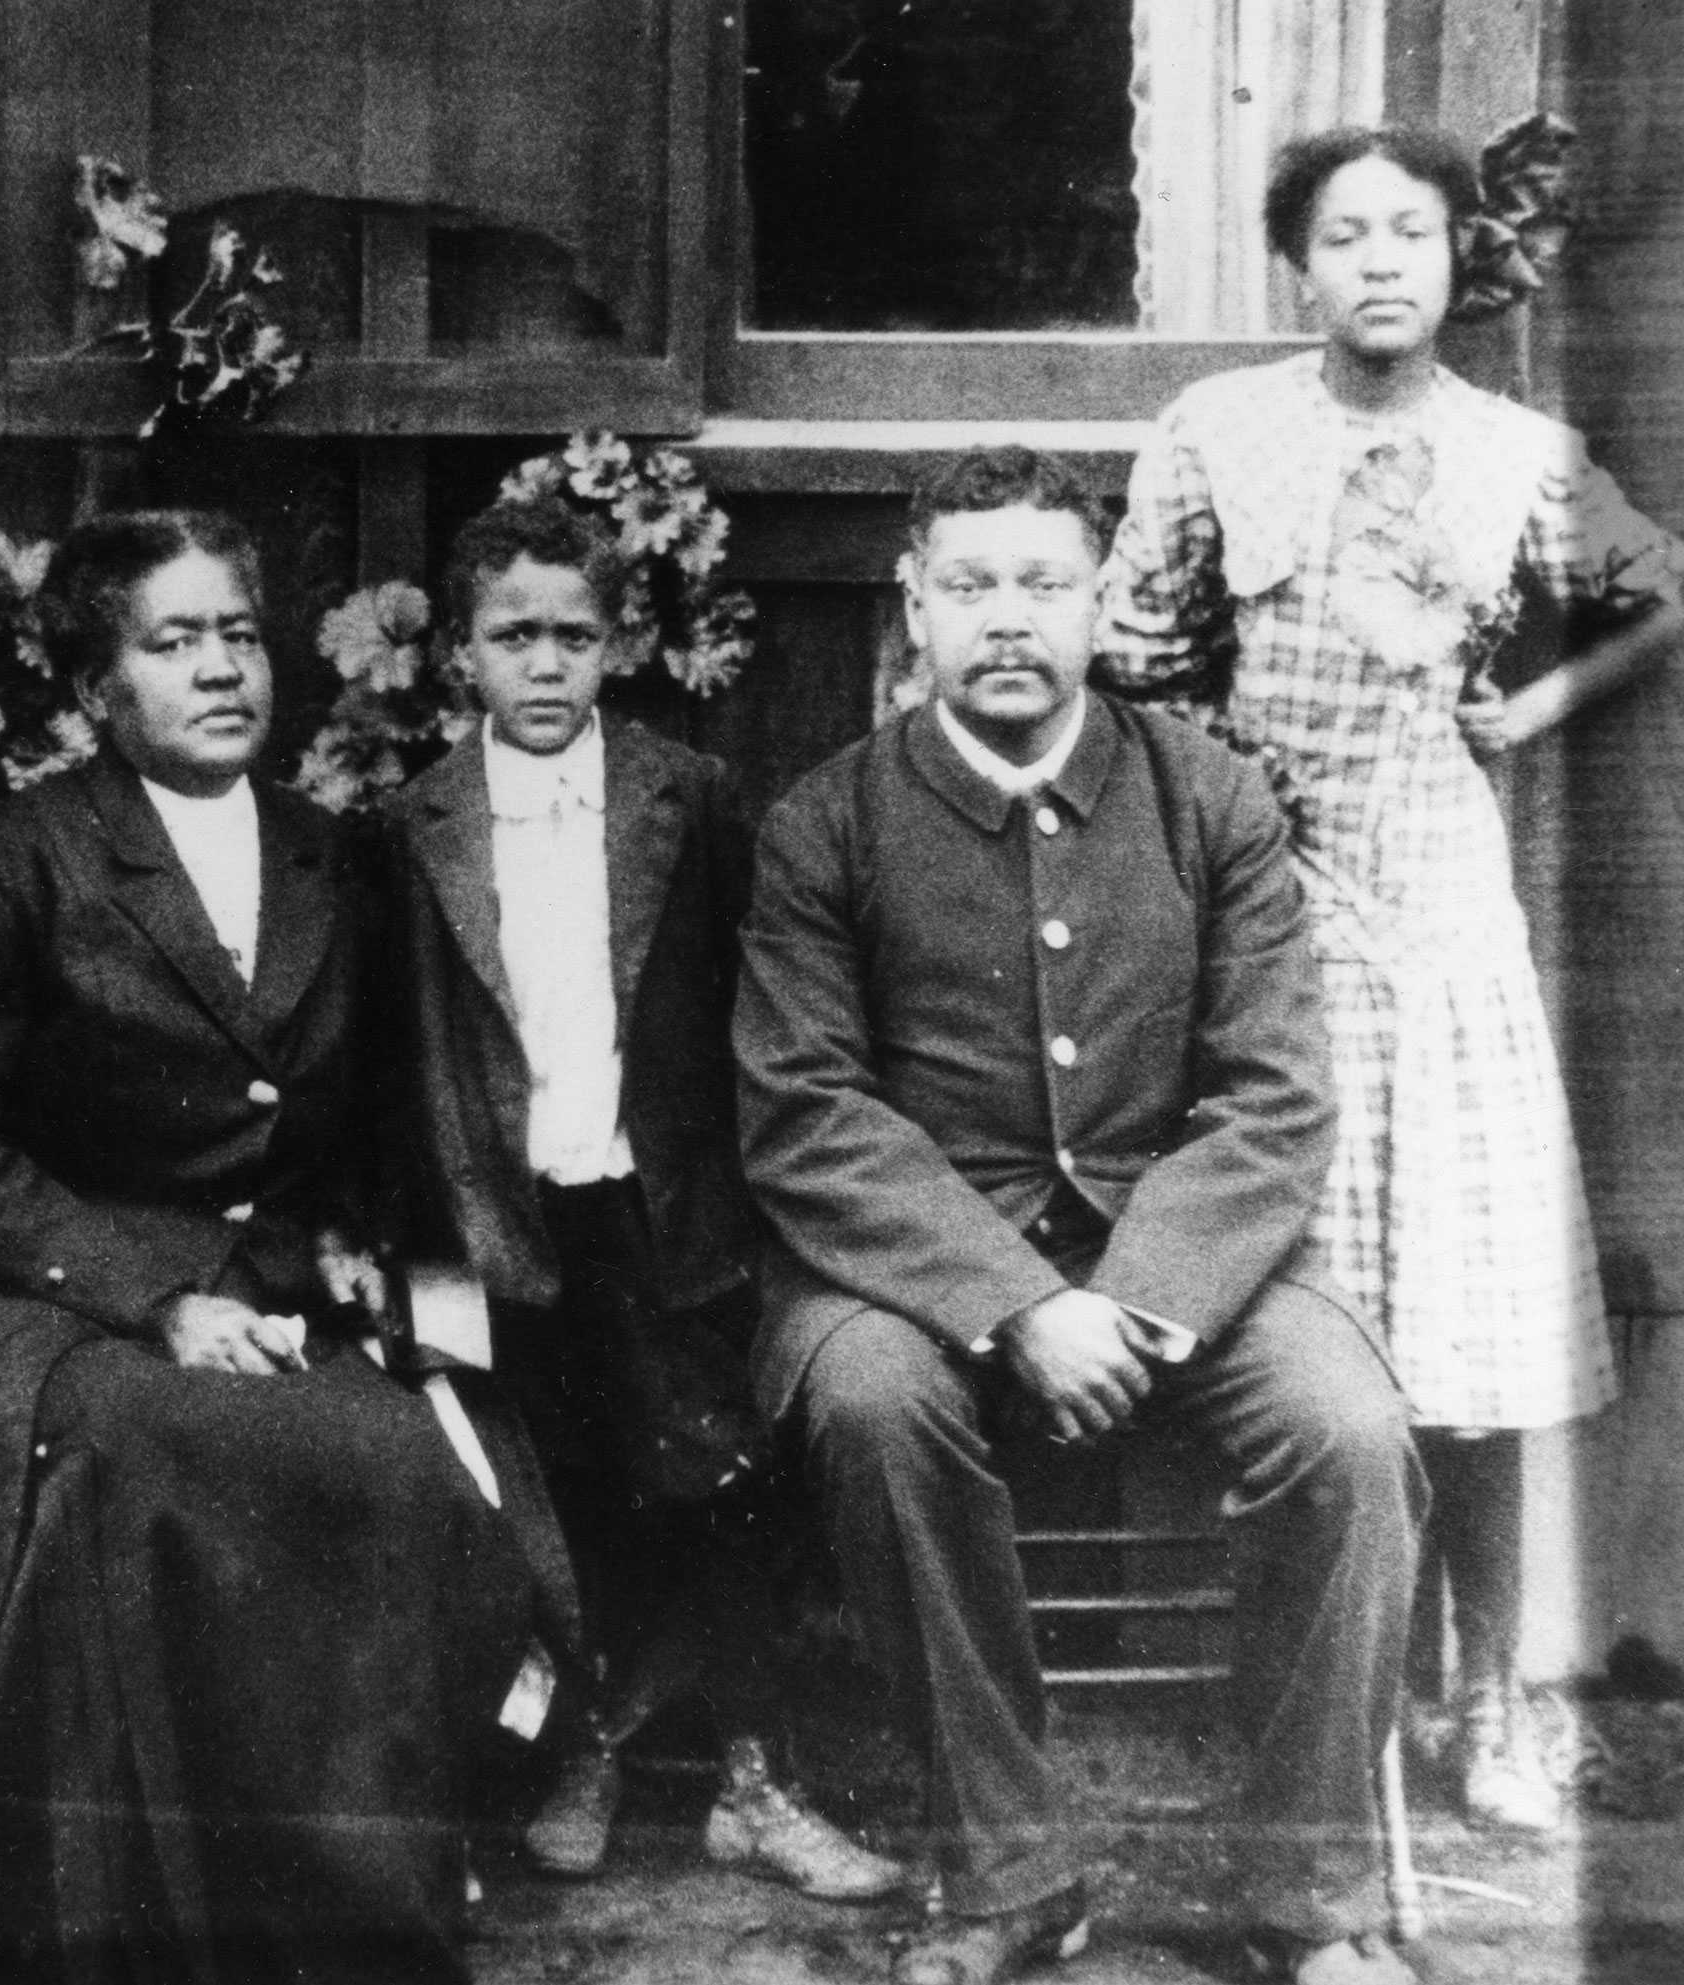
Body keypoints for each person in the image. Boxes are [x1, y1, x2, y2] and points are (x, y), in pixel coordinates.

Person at [0, 510, 540, 1985]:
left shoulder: (331, 859)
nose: (219, 672)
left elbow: (349, 1112)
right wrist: (153, 1296)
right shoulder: (11, 861)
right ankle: (151, 1916)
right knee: (163, 1456)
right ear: (97, 688)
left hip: (231, 1288)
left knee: (391, 1470)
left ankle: (337, 1919)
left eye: (239, 635)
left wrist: (346, 1247)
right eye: (172, 642)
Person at [734, 447, 1428, 1985]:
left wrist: (1149, 1288)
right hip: (919, 1274)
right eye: (969, 584)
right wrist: (1017, 1301)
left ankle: (1308, 1891)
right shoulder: (825, 822)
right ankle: (1006, 1872)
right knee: (862, 1398)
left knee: (1351, 1427)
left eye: (1044, 583)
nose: (1007, 620)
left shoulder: (1209, 796)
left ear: (1099, 599)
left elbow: (1277, 1095)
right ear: (912, 604)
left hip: (1186, 1256)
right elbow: (807, 1110)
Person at [1098, 125, 1684, 1832]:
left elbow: (1660, 591)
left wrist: (1535, 707)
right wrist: (1220, 787)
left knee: (1476, 1337)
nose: (1378, 264)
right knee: (1313, 1339)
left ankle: (1489, 1702)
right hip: (1275, 920)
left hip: (1441, 919)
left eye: (1410, 234)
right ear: (1298, 265)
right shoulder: (1220, 431)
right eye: (1345, 234)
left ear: (1456, 261)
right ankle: (1325, 1712)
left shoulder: (1516, 452)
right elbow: (1138, 656)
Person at [377, 498, 897, 1901]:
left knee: (719, 1483)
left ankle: (756, 1778)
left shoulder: (690, 795)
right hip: (511, 1220)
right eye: (513, 637)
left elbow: (752, 994)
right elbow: (402, 1034)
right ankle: (584, 1748)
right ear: (463, 657)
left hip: (666, 1206)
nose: (545, 665)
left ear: (621, 645)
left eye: (574, 636)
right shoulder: (414, 820)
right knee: (569, 1497)